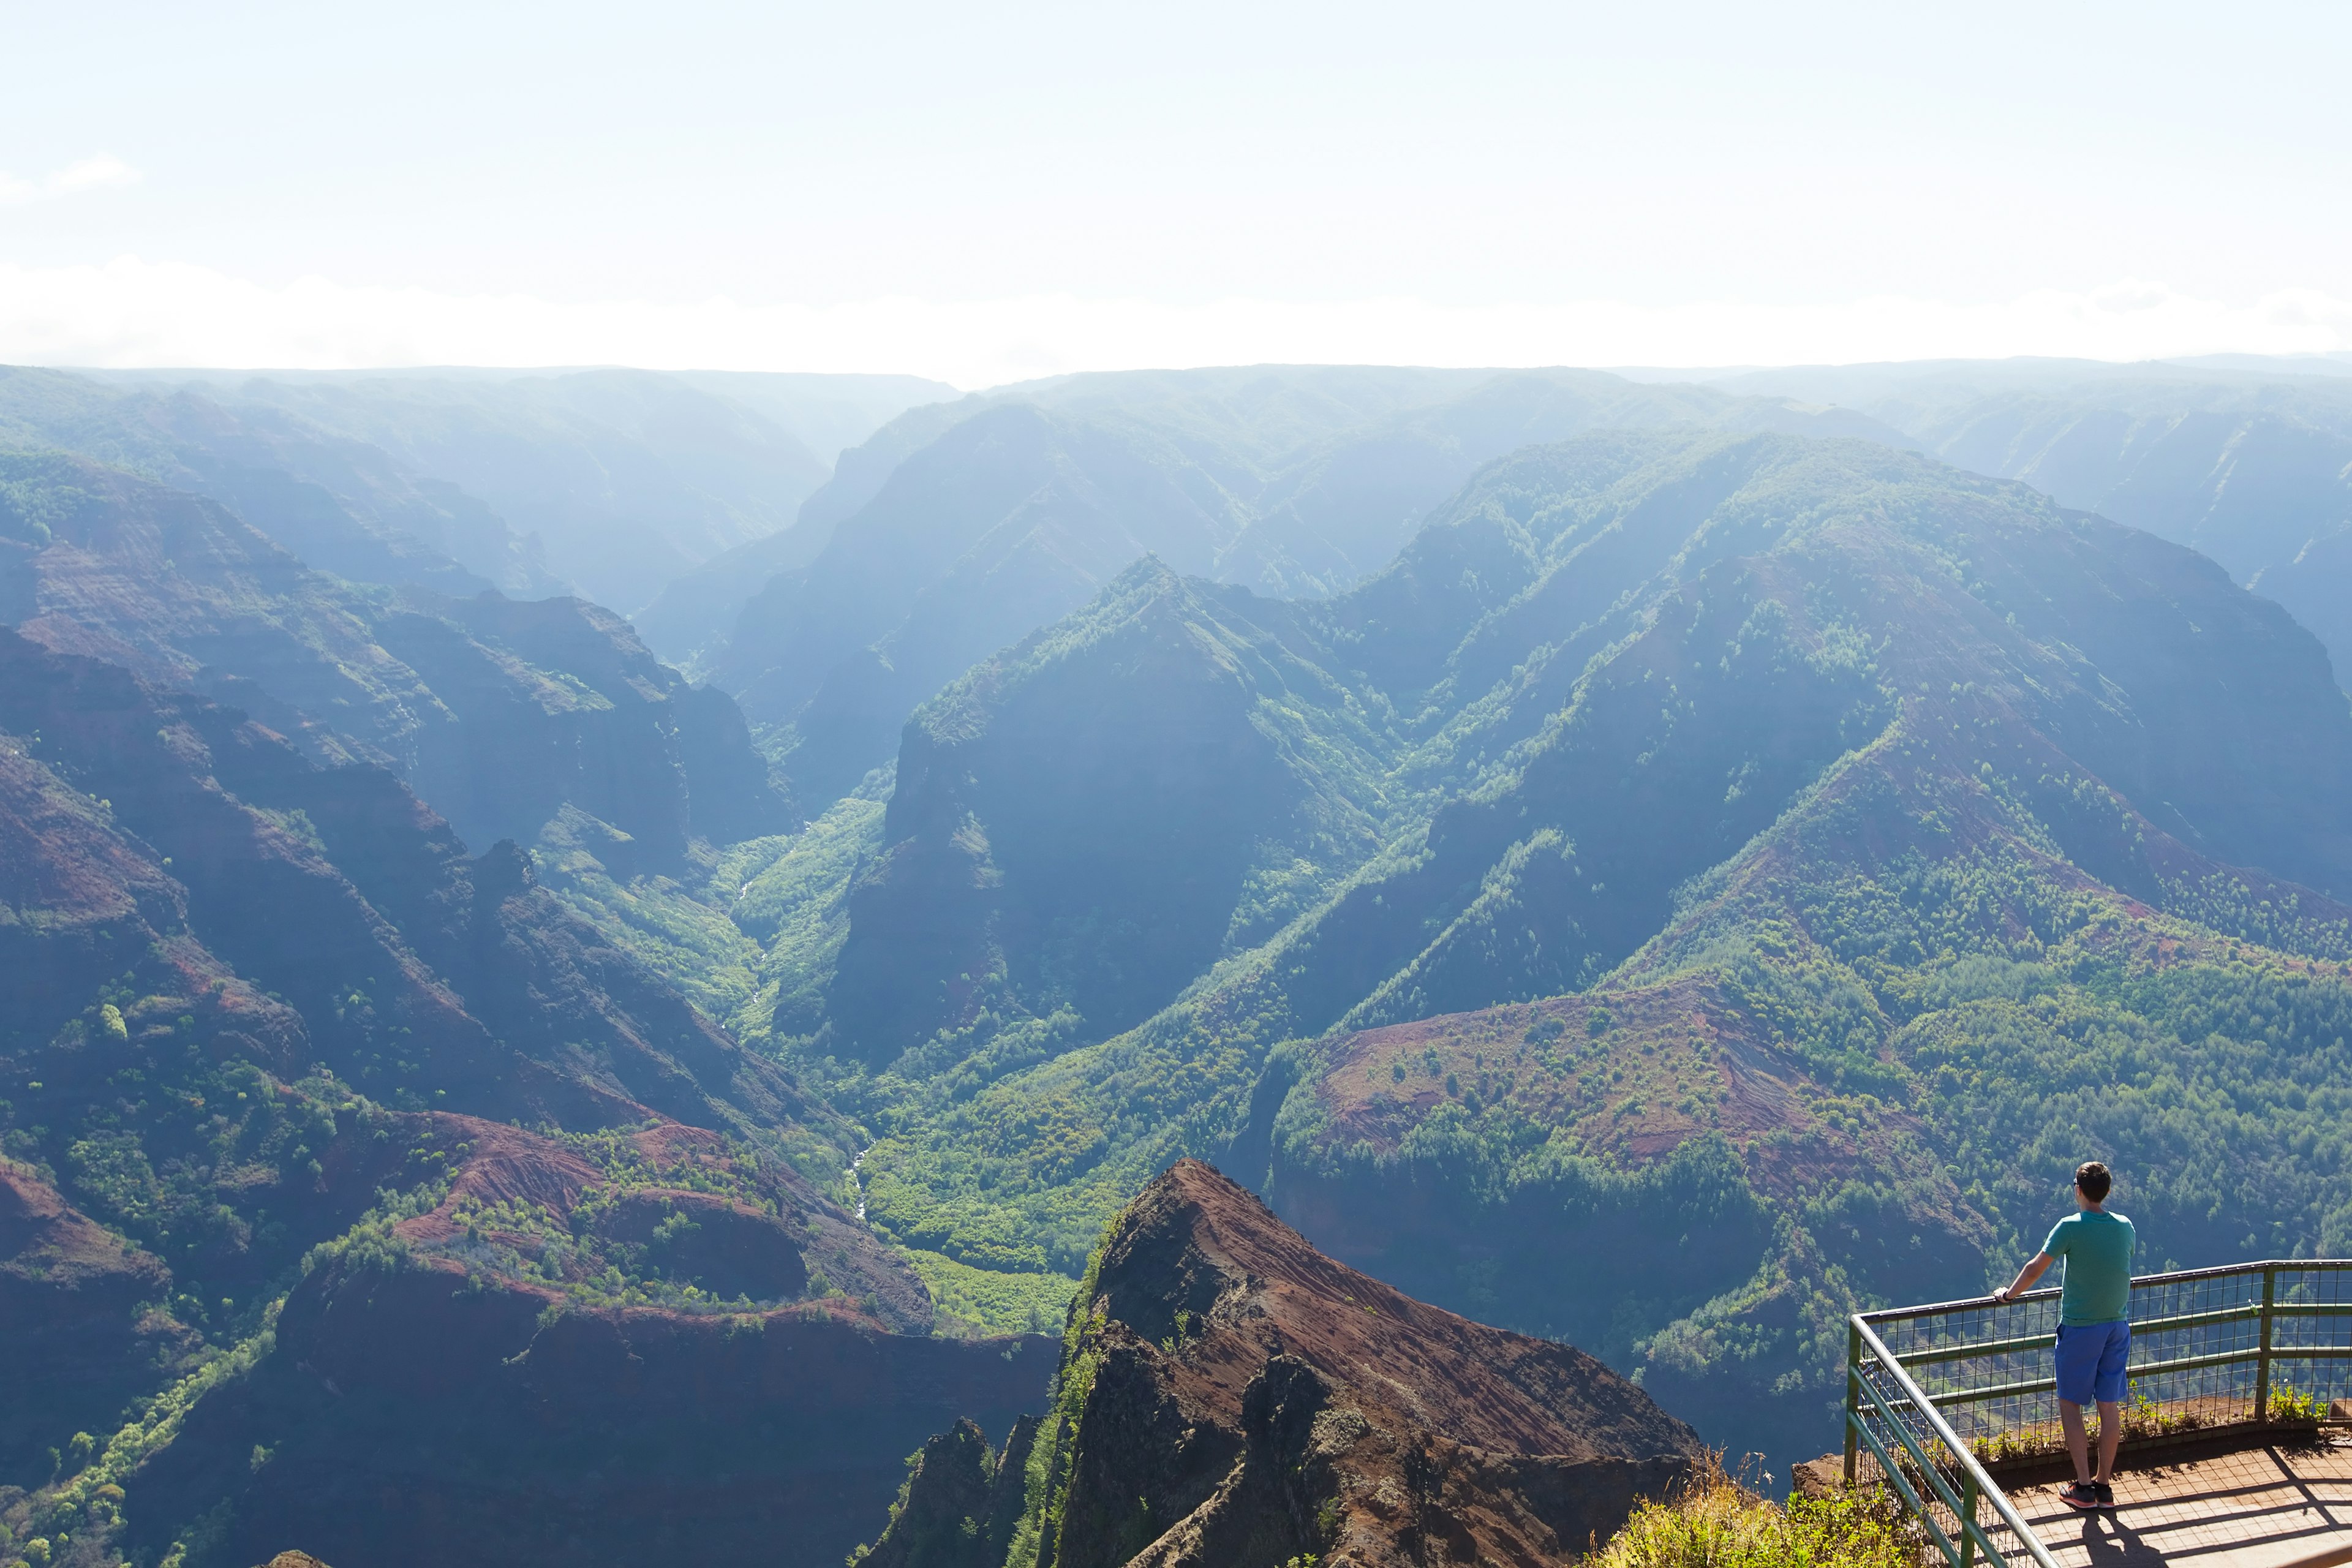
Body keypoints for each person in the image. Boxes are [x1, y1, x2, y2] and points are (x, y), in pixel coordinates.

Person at [1992, 1161, 2136, 1512]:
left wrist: (2009, 1295)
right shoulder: (2126, 1227)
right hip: (2117, 1327)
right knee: (2109, 1407)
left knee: (2071, 1404)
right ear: (2107, 1191)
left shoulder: (2070, 1227)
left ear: (2079, 1190)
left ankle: (2083, 1488)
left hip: (2081, 1327)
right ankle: (2104, 1487)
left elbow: (2036, 1267)